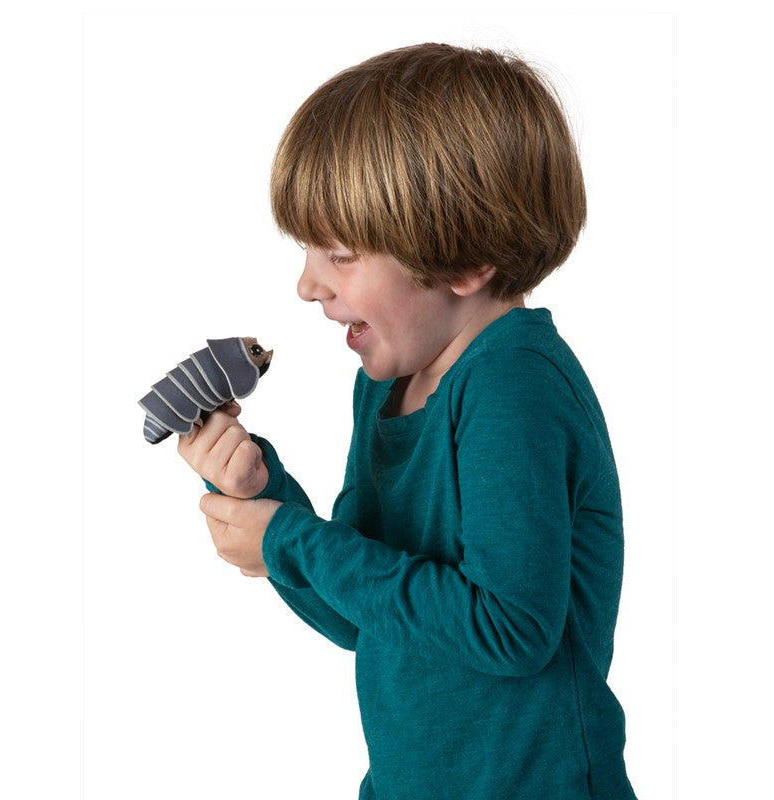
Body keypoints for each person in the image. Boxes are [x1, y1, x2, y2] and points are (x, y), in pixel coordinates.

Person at [177, 42, 638, 800]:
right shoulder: (386, 388)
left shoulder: (514, 386)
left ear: (465, 261)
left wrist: (290, 542)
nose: (306, 283)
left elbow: (507, 628)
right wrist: (270, 501)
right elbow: (369, 617)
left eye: (341, 252)